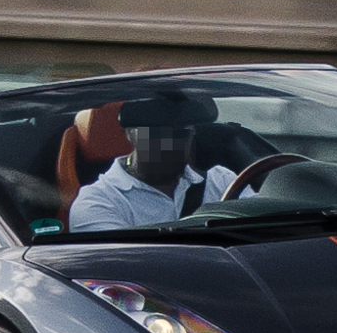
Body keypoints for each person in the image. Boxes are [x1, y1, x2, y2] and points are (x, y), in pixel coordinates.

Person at [68, 93, 238, 233]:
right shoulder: (98, 201)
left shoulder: (223, 181)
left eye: (180, 134)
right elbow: (125, 267)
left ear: (193, 135)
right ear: (130, 134)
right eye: (155, 134)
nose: (169, 144)